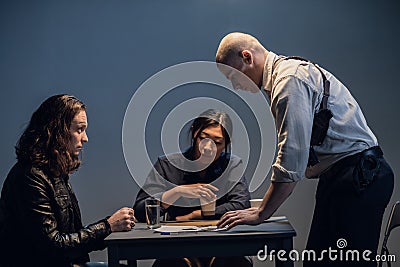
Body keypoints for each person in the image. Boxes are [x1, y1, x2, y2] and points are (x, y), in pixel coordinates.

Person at [215, 32, 394, 266]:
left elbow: (291, 159)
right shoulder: (285, 77)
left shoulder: (289, 80)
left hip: (359, 177)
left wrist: (262, 213)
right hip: (343, 177)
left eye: (233, 75)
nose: (236, 86)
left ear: (247, 57)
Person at [0, 94, 136, 267]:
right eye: (79, 129)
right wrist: (107, 226)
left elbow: (71, 236)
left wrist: (110, 226)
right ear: (57, 132)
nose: (85, 138)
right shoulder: (30, 177)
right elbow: (53, 245)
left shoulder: (54, 172)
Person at [134, 109, 252, 267]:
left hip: (223, 244)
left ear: (226, 145)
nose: (208, 147)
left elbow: (242, 205)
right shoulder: (168, 165)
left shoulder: (231, 165)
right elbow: (141, 211)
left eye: (217, 142)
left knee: (233, 262)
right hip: (178, 247)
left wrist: (196, 215)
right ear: (194, 133)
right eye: (204, 138)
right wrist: (176, 192)